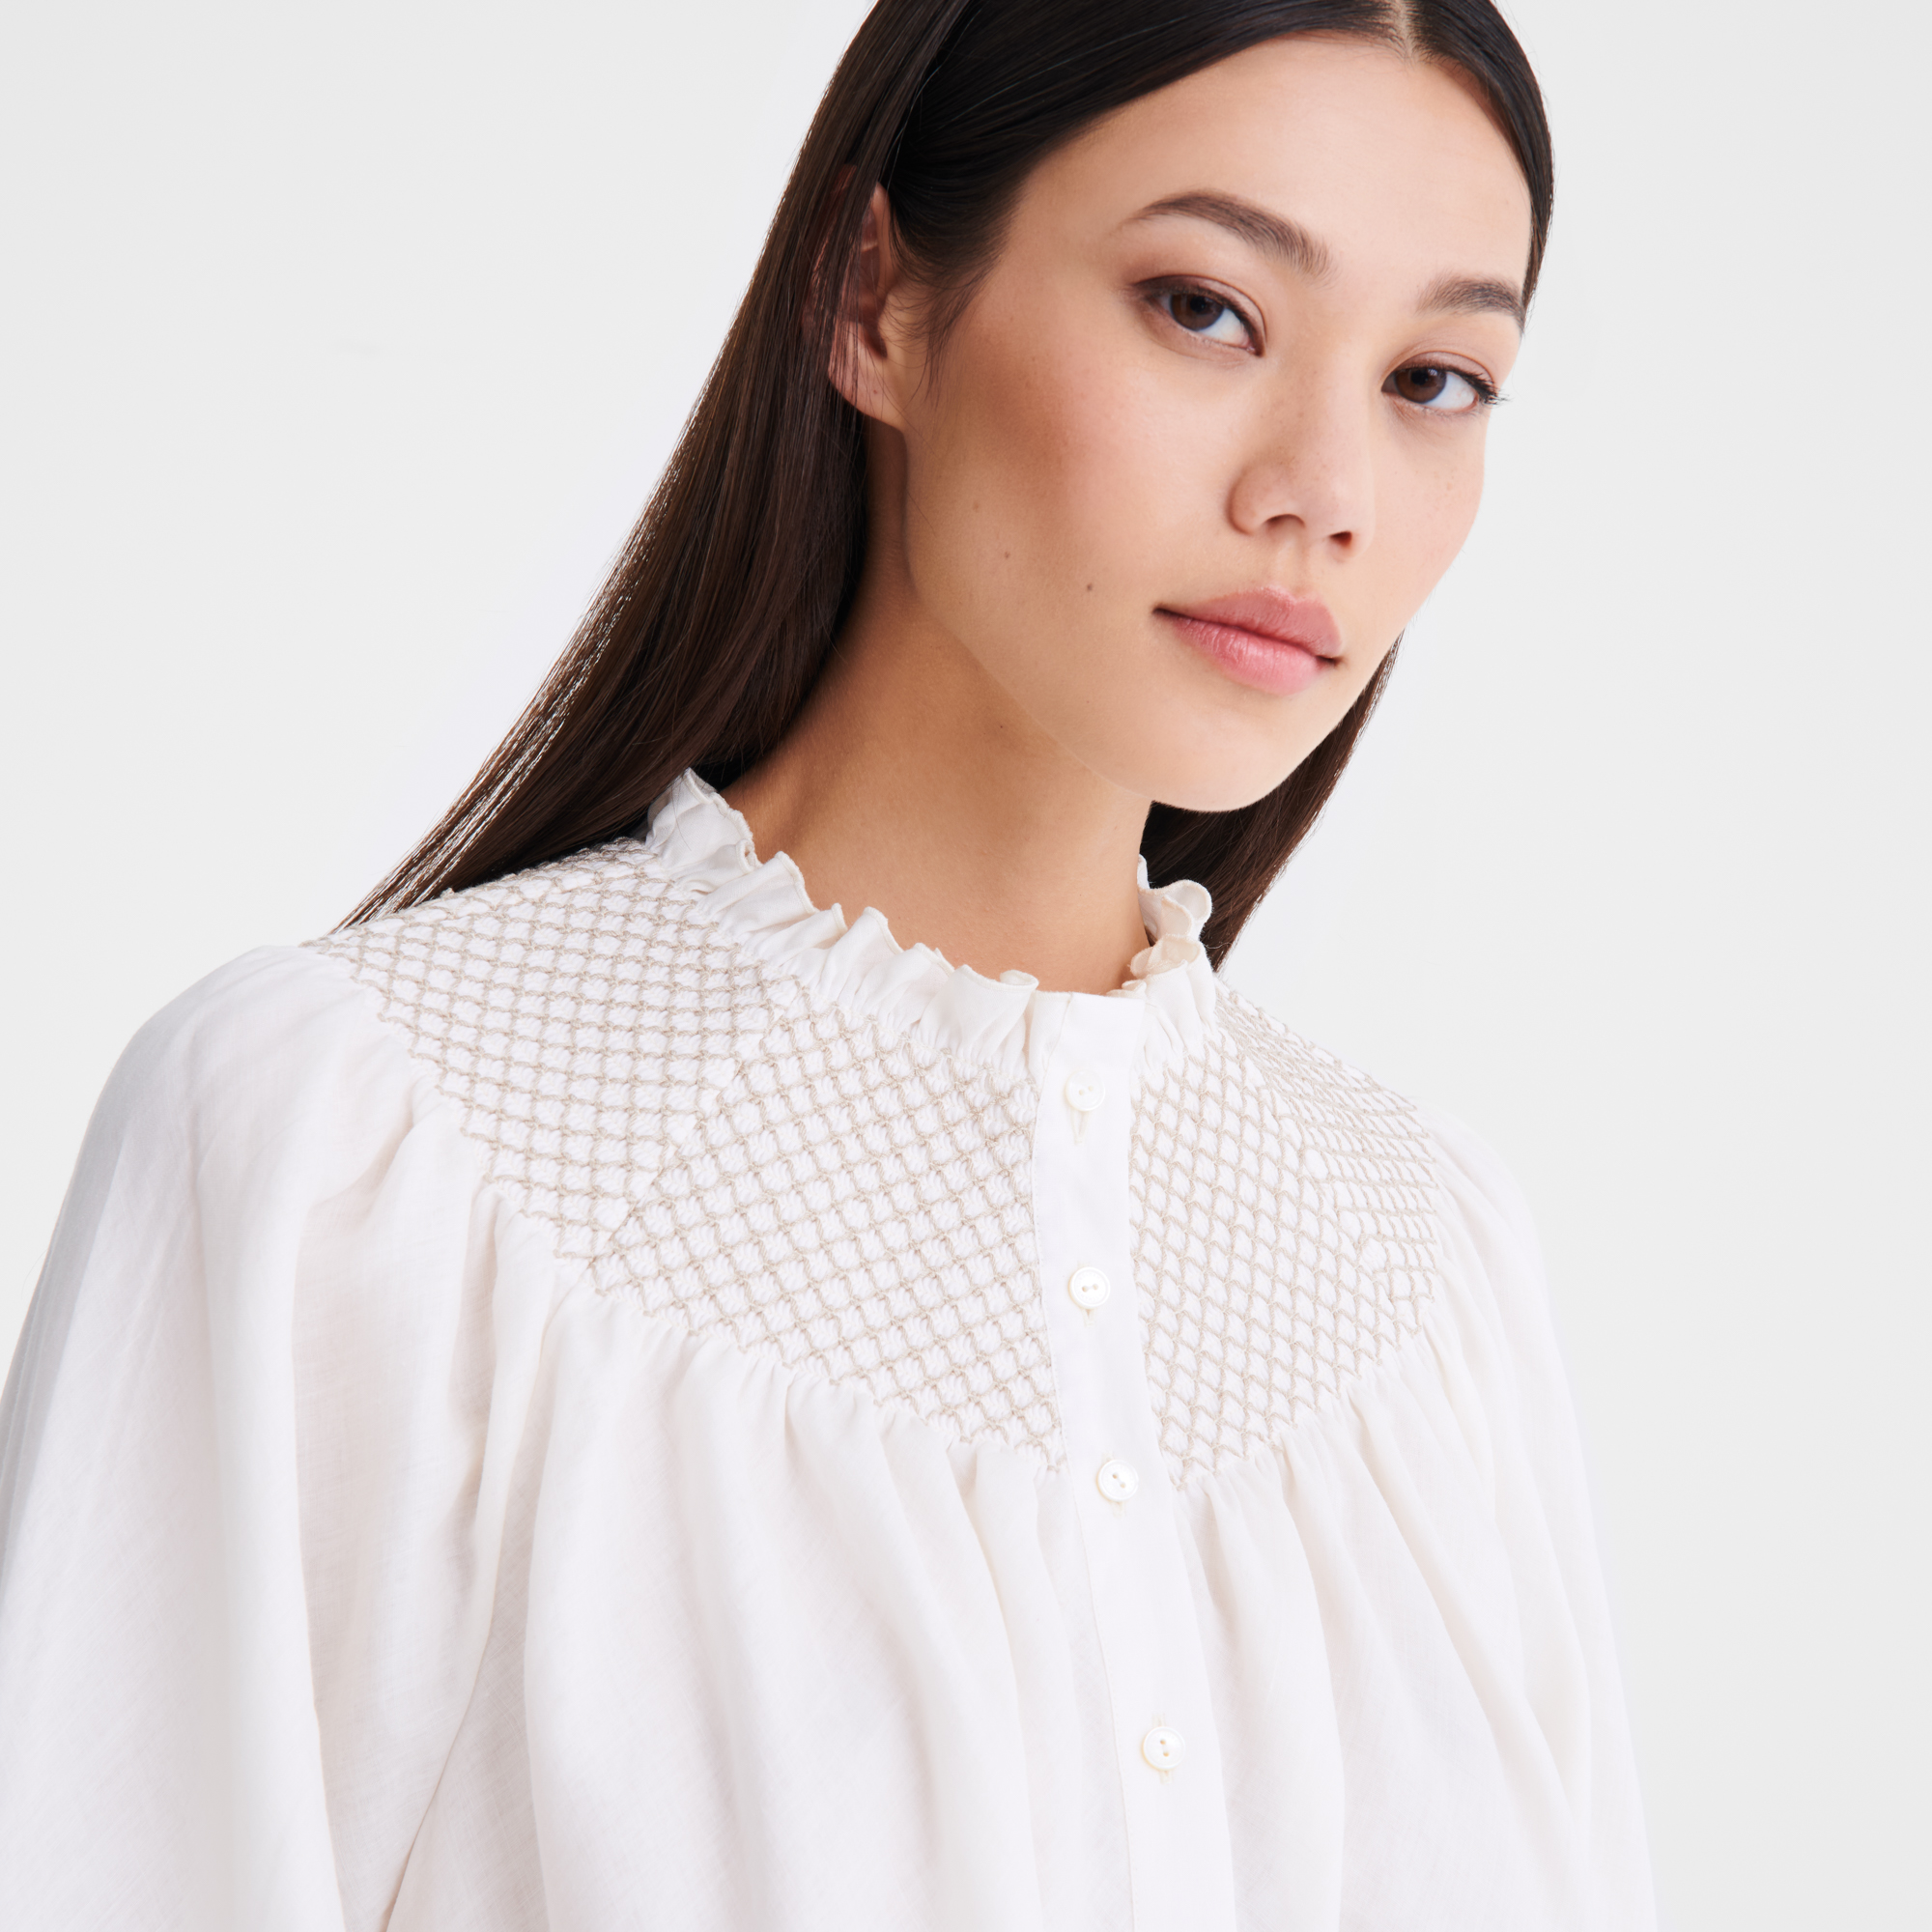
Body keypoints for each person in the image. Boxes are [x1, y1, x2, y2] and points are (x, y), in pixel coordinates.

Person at [0, 1, 1657, 1924]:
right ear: (872, 298)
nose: (1325, 489)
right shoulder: (355, 1148)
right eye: (1205, 309)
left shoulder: (1429, 1273)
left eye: (1436, 379)